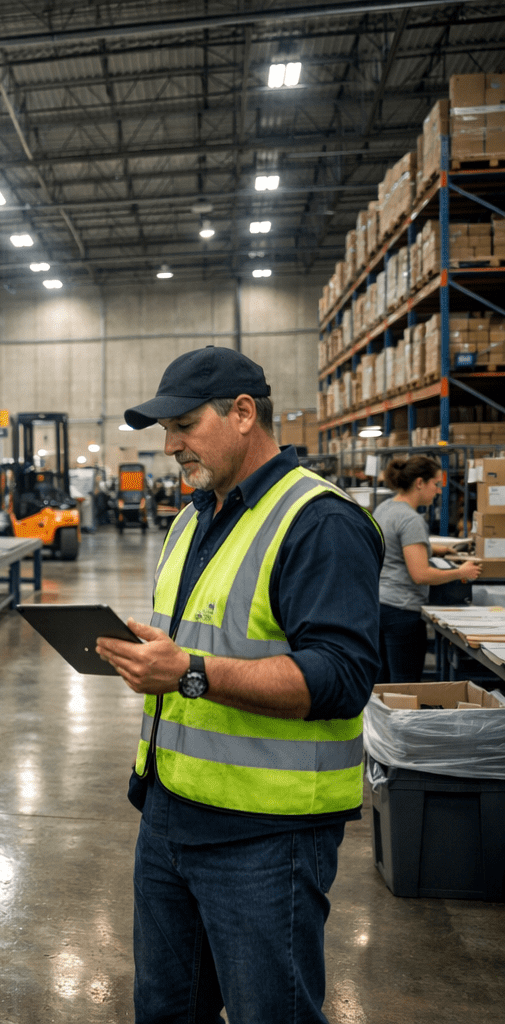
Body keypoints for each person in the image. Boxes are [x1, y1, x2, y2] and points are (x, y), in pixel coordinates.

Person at [94, 347, 383, 1024]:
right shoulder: (193, 518)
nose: (170, 446)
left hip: (265, 836)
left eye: (185, 425)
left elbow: (341, 676)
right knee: (166, 1010)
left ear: (244, 413)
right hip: (168, 811)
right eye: (165, 431)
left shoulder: (319, 522)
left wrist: (190, 672)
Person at [374, 454, 479, 683]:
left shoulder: (385, 509)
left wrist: (435, 549)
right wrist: (461, 572)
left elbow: (397, 547)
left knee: (381, 683)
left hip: (379, 606)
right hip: (402, 612)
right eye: (435, 484)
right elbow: (421, 575)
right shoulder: (411, 520)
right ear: (419, 483)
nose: (439, 491)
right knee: (405, 685)